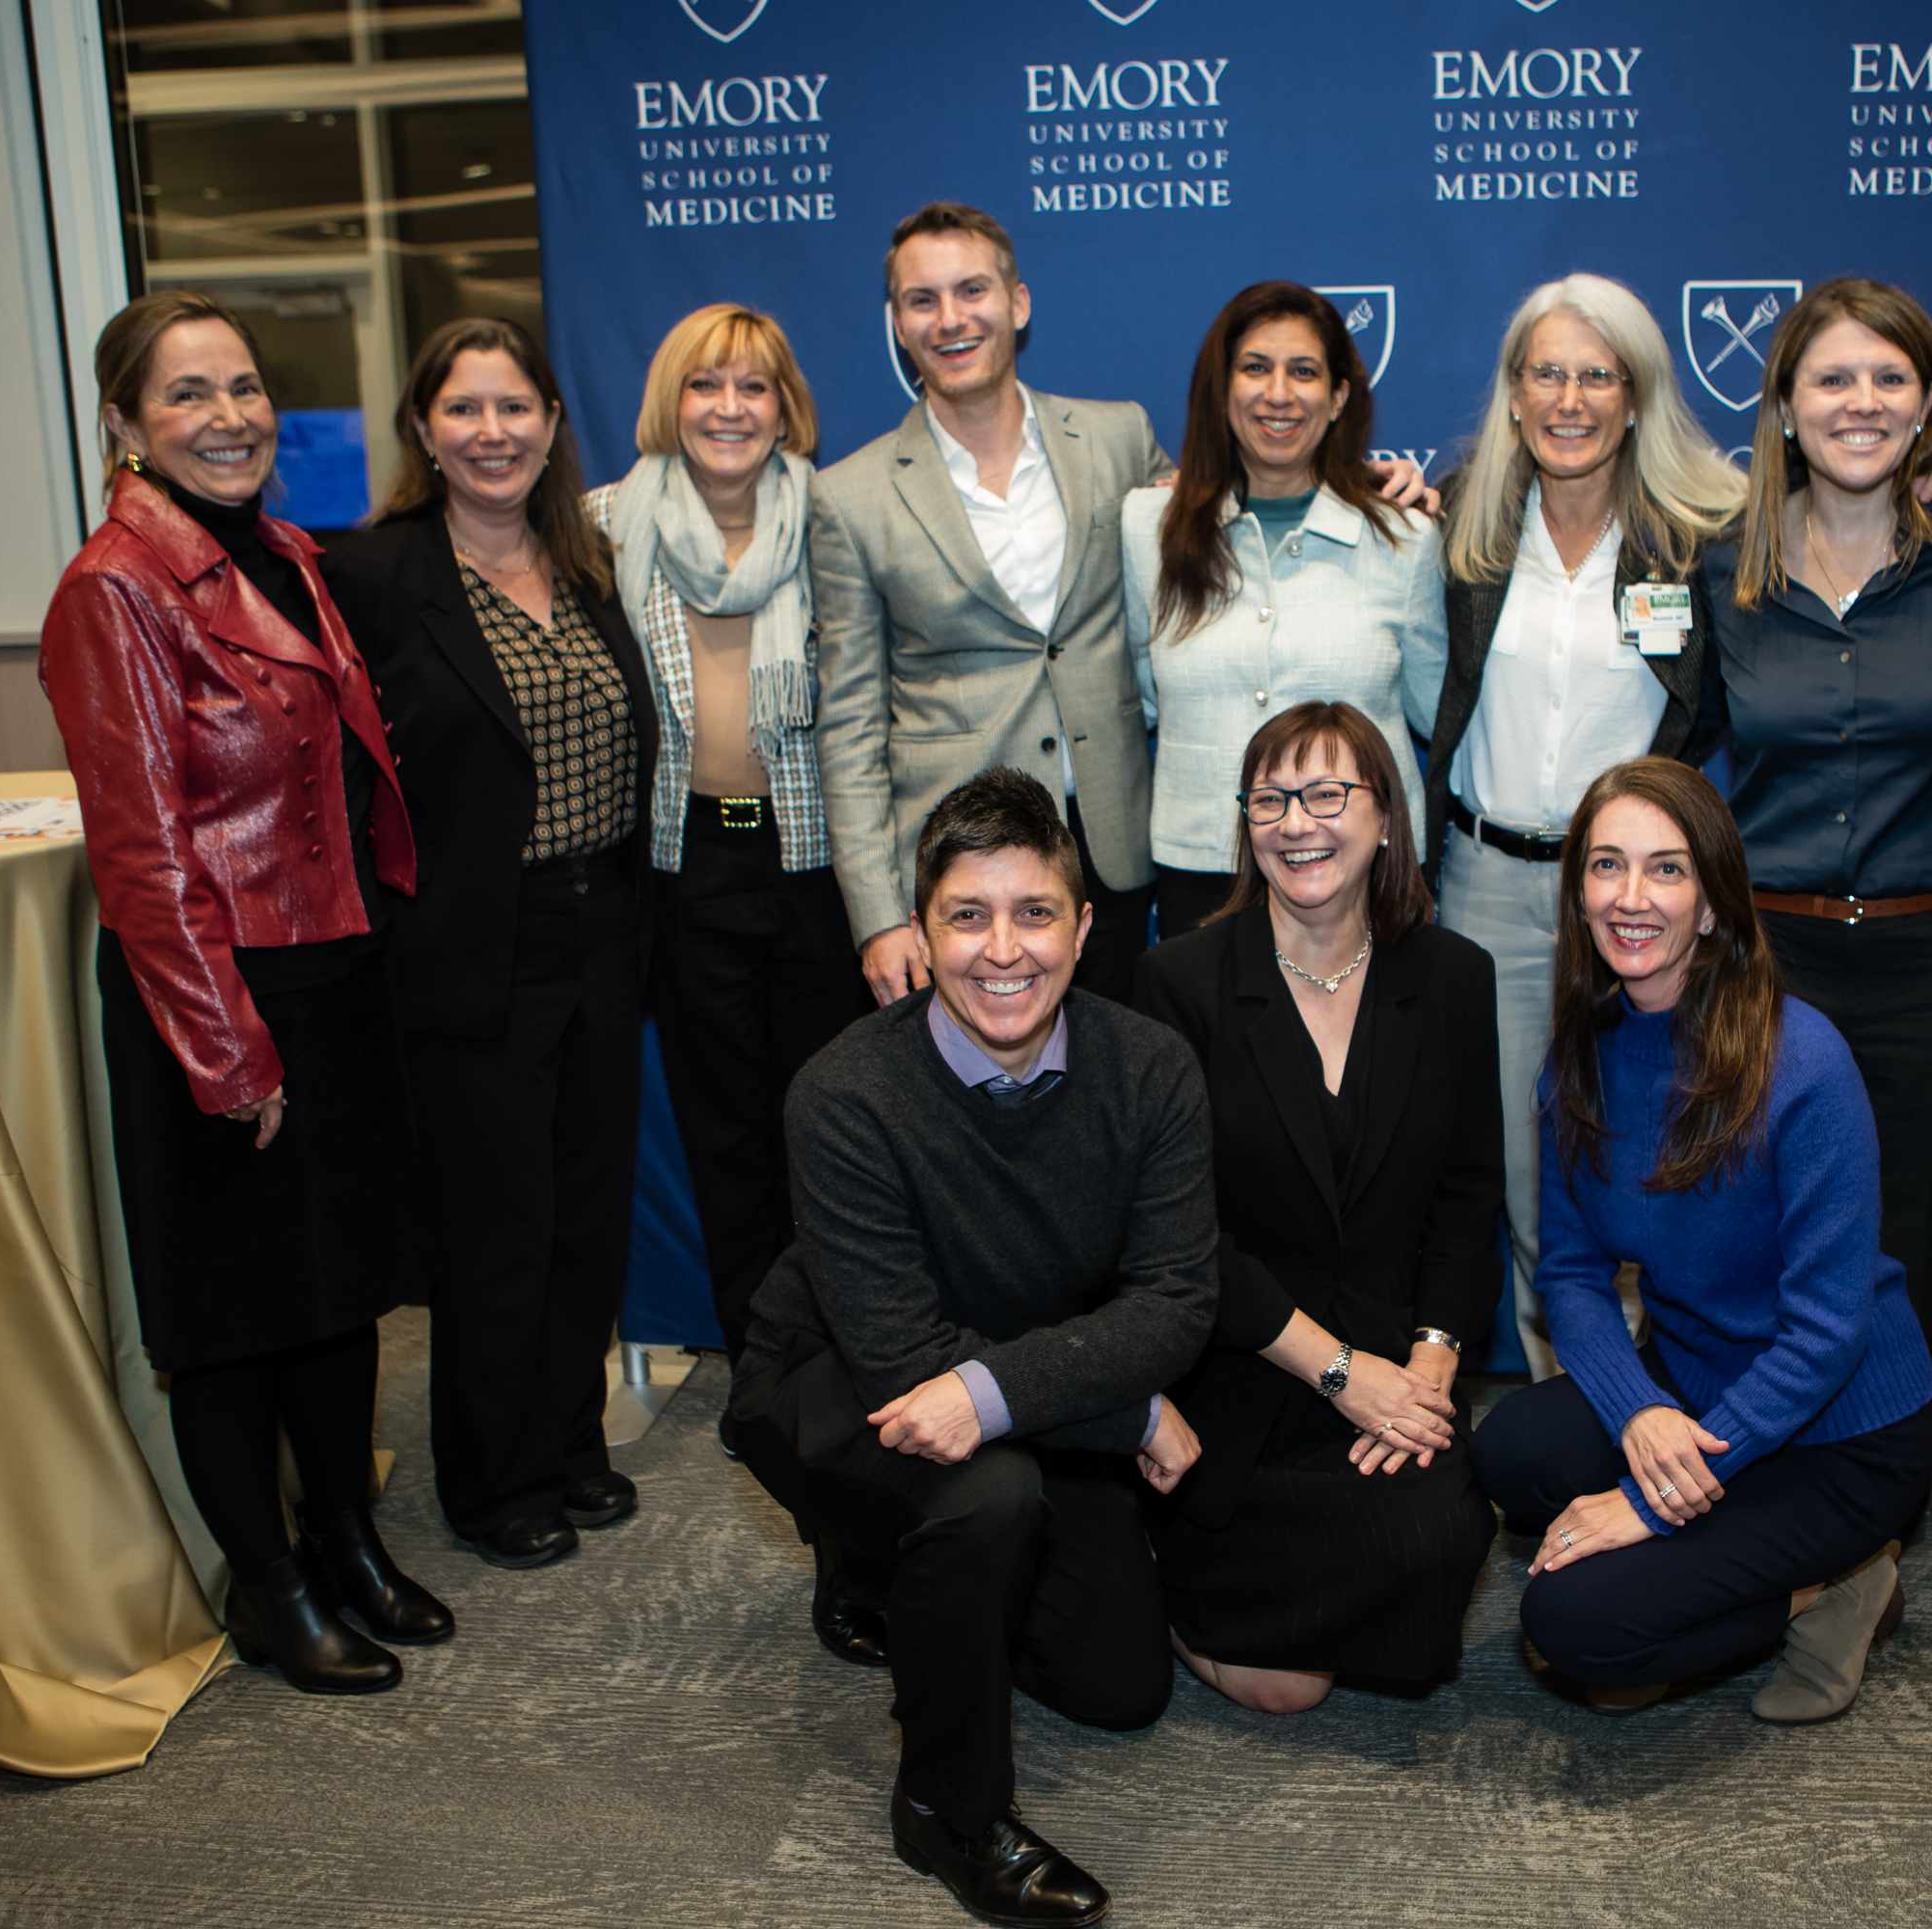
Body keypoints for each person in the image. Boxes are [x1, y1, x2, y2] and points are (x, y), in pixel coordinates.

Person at [41, 289, 449, 1691]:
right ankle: (267, 1586)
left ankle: (343, 1538)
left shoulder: (281, 551)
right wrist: (227, 1054)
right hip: (215, 997)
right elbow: (144, 855)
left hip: (328, 963)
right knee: (233, 1315)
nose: (228, 417)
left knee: (335, 1292)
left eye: (243, 389)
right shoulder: (115, 588)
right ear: (126, 427)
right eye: (187, 396)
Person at [729, 766, 1217, 1928]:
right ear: (921, 928)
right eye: (967, 915)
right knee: (984, 1497)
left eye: (1035, 911)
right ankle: (946, 1810)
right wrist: (1132, 1412)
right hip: (834, 1374)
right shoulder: (844, 1092)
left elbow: (1176, 1304)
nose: (1005, 950)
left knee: (1119, 1684)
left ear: (1086, 926)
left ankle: (891, 1571)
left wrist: (1021, 1385)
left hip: (1009, 1375)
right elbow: (900, 1356)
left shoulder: (1151, 1071)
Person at [814, 204, 1431, 1010]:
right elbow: (851, 722)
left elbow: (1235, 500)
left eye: (972, 290)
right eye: (923, 300)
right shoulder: (849, 496)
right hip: (958, 862)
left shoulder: (1114, 442)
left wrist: (1378, 486)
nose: (952, 318)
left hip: (1110, 854)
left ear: (1019, 303)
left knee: (1109, 1089)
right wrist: (875, 917)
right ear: (897, 322)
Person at [1470, 758, 1932, 1722]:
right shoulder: (1582, 1057)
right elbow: (1571, 1269)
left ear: (1715, 902)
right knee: (1510, 1449)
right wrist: (1640, 1412)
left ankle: (1838, 1585)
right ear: (1579, 895)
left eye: (1666, 869)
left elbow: (1826, 1331)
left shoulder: (1801, 1058)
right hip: (1693, 1385)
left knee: (1574, 1628)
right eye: (1606, 866)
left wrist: (1646, 1503)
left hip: (1842, 1431)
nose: (1631, 897)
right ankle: (1715, 1548)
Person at [322, 318, 656, 1569]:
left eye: (515, 407)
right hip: (469, 948)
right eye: (464, 410)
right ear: (422, 429)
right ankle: (493, 1474)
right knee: (495, 1227)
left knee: (584, 1213)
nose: (493, 432)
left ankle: (572, 1441)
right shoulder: (376, 577)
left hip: (605, 928)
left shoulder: (588, 561)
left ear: (554, 425)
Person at [1408, 273, 1748, 1377]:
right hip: (1493, 889)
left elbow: (1842, 528)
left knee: (1648, 1159)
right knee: (1526, 1176)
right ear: (1513, 393)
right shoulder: (1459, 523)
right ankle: (1577, 1418)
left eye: (1596, 373)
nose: (1570, 396)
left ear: (1637, 394)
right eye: (1546, 371)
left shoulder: (1701, 538)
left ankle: (1662, 1418)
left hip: (1640, 897)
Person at [1131, 702, 1501, 1711]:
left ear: (1386, 815)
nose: (1299, 821)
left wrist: (1426, 1363)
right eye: (1271, 797)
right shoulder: (1180, 982)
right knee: (1286, 1688)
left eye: (1329, 792)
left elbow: (1469, 1200)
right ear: (1246, 824)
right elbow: (1180, 1239)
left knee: (1443, 1532)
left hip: (1391, 1354)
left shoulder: (1455, 976)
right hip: (1243, 1365)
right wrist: (1339, 1374)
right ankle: (1158, 1572)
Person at [1704, 279, 1932, 1359]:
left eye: (1890, 377)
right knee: (1763, 1228)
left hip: (1931, 959)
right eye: (1833, 377)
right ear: (1786, 406)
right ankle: (1761, 1477)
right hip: (1770, 956)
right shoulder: (1722, 562)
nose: (1862, 401)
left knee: (1902, 1233)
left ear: (1926, 400)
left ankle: (1882, 1494)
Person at [585, 304, 870, 1400]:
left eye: (754, 386)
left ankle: (840, 1350)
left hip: (814, 864)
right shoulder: (606, 522)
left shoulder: (835, 515)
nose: (730, 408)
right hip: (682, 866)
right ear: (672, 399)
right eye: (706, 385)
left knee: (824, 1129)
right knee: (725, 1136)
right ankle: (767, 1366)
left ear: (785, 404)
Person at [1123, 284, 1446, 936]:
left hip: (1360, 869)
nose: (1278, 393)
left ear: (1339, 397)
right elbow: (1138, 697)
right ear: (1222, 388)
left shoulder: (1405, 538)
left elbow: (1440, 712)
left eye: (1304, 371)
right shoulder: (1146, 526)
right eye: (1254, 368)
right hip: (1204, 867)